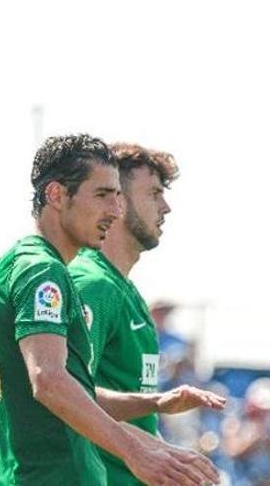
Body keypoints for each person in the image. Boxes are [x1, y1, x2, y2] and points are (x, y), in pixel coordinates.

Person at [0, 134, 218, 485]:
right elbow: (49, 381)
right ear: (56, 195)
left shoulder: (32, 265)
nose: (115, 210)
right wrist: (138, 453)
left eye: (117, 196)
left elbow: (76, 389)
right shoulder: (49, 272)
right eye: (103, 195)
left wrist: (156, 412)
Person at [69, 142, 226, 484]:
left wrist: (168, 454)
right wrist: (164, 452)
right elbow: (68, 397)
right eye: (154, 193)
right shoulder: (92, 285)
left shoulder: (130, 294)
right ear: (118, 203)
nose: (166, 207)